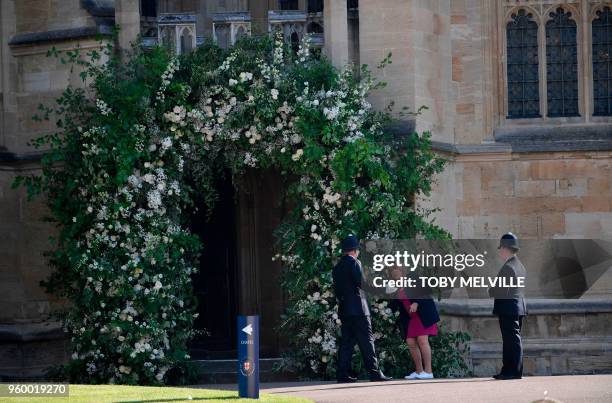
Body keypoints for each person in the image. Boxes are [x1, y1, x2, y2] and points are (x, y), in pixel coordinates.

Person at [332, 234, 392, 383]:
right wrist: (383, 290)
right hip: (359, 310)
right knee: (367, 342)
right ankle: (374, 373)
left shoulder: (337, 267)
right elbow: (362, 284)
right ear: (354, 250)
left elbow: (338, 291)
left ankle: (342, 374)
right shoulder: (354, 263)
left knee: (346, 343)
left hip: (345, 310)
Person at [388, 267, 440, 380]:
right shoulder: (395, 287)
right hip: (411, 319)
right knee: (411, 342)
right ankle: (419, 371)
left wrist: (416, 302)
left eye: (397, 269)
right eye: (392, 270)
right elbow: (394, 306)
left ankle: (429, 371)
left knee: (422, 340)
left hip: (423, 315)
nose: (395, 271)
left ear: (402, 270)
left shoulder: (413, 277)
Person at [488, 232, 527, 380]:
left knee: (511, 340)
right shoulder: (520, 266)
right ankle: (511, 370)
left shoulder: (508, 267)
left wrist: (490, 289)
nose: (499, 251)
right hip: (517, 306)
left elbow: (500, 289)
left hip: (509, 307)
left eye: (501, 248)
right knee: (513, 340)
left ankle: (512, 371)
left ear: (506, 249)